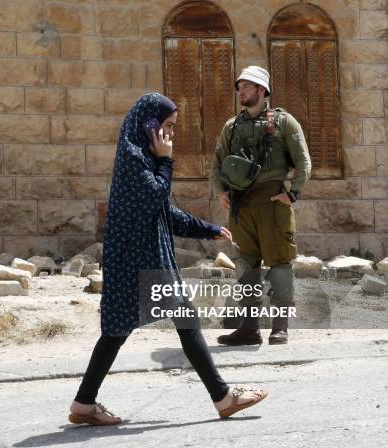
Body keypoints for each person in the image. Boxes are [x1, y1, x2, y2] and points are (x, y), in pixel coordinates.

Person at [68, 93, 268, 426]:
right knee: (184, 318)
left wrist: (208, 229)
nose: (170, 134)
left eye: (173, 127)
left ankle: (84, 403)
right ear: (149, 123)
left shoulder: (142, 157)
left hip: (136, 257)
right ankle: (223, 398)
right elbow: (157, 195)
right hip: (139, 258)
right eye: (167, 126)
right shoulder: (134, 157)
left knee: (118, 329)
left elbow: (165, 213)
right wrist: (166, 160)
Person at [210, 66, 311, 346]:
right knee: (246, 266)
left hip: (272, 202)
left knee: (279, 265)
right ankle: (249, 328)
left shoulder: (284, 122)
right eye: (239, 86)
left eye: (247, 86)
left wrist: (293, 194)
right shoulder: (231, 126)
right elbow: (217, 162)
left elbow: (303, 160)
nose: (240, 91)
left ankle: (280, 327)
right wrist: (221, 192)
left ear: (262, 90)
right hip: (242, 205)